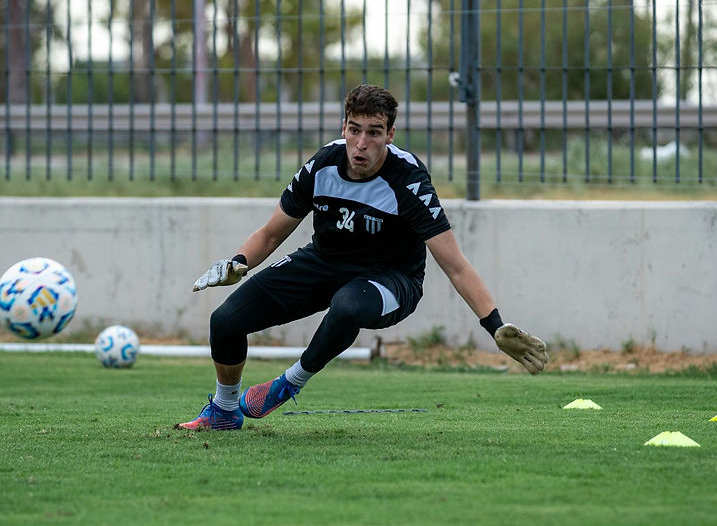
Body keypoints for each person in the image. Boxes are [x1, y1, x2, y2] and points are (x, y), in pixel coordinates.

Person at [175, 84, 548, 431]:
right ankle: (224, 412)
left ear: (390, 135)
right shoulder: (323, 166)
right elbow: (271, 233)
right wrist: (238, 262)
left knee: (349, 304)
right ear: (344, 127)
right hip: (323, 263)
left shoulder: (408, 181)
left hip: (390, 279)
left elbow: (455, 265)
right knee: (224, 320)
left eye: (373, 132)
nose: (361, 144)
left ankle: (288, 384)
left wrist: (495, 326)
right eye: (354, 130)